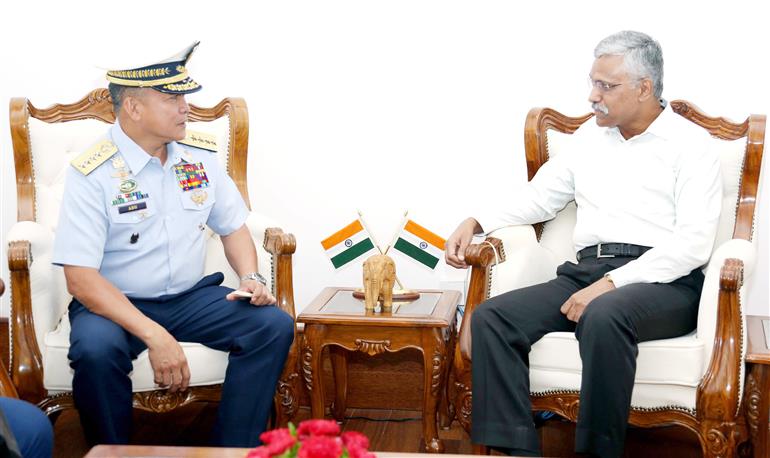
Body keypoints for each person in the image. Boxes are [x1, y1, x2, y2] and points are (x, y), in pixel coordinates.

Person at [445, 31, 721, 457]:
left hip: (666, 282)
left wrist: (611, 285)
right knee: (492, 319)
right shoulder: (590, 138)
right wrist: (476, 221)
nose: (593, 97)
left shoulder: (692, 147)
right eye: (593, 83)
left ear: (644, 88)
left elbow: (693, 243)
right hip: (587, 271)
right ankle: (518, 450)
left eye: (605, 86)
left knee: (603, 315)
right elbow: (538, 198)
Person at [52, 41, 294, 447]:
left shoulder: (198, 159)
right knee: (94, 350)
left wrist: (250, 276)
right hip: (114, 303)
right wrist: (155, 335)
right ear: (133, 107)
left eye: (184, 96)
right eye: (172, 98)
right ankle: (114, 455)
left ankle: (231, 451)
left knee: (271, 326)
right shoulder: (91, 173)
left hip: (188, 298)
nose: (185, 107)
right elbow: (80, 279)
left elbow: (234, 227)